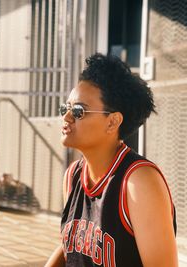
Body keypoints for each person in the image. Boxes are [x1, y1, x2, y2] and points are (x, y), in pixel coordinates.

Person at [45, 53, 178, 267]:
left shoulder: (138, 182)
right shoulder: (73, 175)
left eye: (78, 111)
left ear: (112, 122)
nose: (67, 117)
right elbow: (72, 245)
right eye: (66, 108)